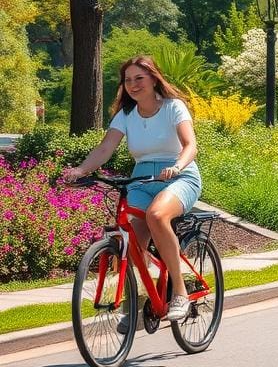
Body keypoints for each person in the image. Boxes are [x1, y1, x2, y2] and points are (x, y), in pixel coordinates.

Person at [63, 56, 202, 322]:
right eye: (128, 80)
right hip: (140, 180)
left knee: (157, 216)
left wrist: (177, 166)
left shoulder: (174, 107)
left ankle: (180, 293)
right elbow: (105, 149)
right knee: (130, 242)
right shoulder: (125, 115)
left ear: (153, 79)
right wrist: (81, 170)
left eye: (139, 78)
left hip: (179, 177)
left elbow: (190, 146)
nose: (133, 85)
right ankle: (138, 300)